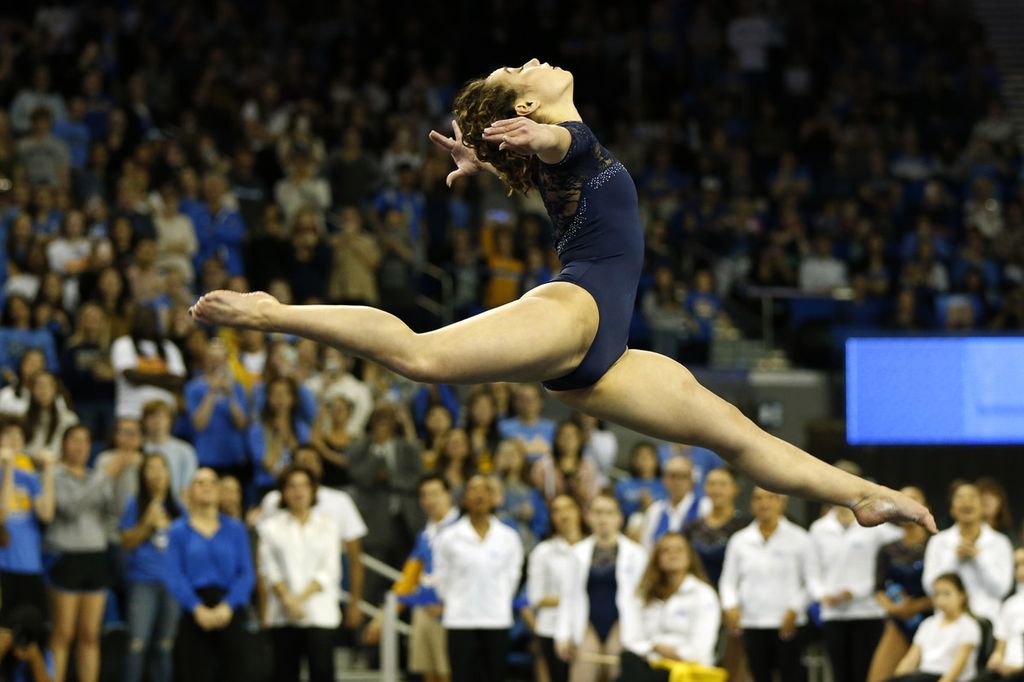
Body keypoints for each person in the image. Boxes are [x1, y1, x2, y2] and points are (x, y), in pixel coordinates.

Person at [188, 59, 934, 541]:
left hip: (603, 357)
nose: (537, 61)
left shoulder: (562, 145)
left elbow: (545, 153)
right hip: (576, 309)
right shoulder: (565, 141)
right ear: (528, 102)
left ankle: (864, 496)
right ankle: (271, 311)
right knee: (422, 358)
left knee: (735, 436)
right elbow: (554, 149)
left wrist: (487, 153)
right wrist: (519, 143)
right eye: (523, 69)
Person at [46, 425, 131, 682]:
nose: (80, 446)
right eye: (74, 440)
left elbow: (115, 512)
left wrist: (121, 477)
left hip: (96, 556)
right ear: (64, 444)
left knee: (90, 635)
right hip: (67, 556)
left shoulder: (95, 475)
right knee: (63, 634)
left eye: (85, 441)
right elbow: (70, 508)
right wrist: (106, 476)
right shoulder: (54, 475)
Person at [254, 446, 366, 631]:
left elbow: (353, 558)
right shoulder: (272, 503)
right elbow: (265, 565)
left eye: (313, 461)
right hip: (281, 609)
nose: (298, 492)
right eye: (302, 461)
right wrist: (274, 604)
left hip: (321, 608)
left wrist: (355, 602)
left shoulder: (339, 502)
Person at [363, 474, 459, 682]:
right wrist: (383, 616)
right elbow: (409, 577)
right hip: (424, 607)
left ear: (449, 496)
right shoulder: (425, 534)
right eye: (424, 495)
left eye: (435, 494)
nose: (429, 500)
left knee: (449, 672)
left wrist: (450, 605)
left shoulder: (463, 529)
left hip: (455, 614)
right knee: (428, 672)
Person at [720, 487, 820, 682]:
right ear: (751, 504)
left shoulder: (800, 538)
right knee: (758, 674)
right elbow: (728, 581)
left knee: (792, 675)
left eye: (770, 498)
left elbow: (811, 581)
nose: (764, 503)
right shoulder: (740, 540)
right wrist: (730, 605)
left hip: (787, 622)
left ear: (782, 502)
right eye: (758, 498)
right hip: (752, 621)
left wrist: (795, 609)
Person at [164, 468, 255, 682]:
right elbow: (174, 575)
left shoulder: (235, 529)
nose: (206, 487)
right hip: (194, 611)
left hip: (230, 609)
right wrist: (197, 609)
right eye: (200, 482)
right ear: (189, 491)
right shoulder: (178, 530)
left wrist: (227, 606)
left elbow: (246, 573)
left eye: (212, 482)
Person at [433, 475, 524, 682]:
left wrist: (498, 597)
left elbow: (513, 576)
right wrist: (454, 600)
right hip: (460, 619)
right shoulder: (449, 536)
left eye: (486, 490)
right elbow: (441, 575)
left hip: (496, 618)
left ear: (494, 498)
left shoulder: (509, 537)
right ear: (464, 499)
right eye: (473, 490)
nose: (480, 495)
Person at [256, 465, 340, 682]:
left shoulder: (328, 525)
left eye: (304, 485)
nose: (298, 491)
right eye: (292, 486)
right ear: (283, 492)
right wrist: (288, 600)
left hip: (319, 612)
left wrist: (299, 600)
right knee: (284, 673)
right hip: (283, 614)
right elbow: (269, 569)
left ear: (313, 490)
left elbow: (329, 569)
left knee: (322, 672)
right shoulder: (270, 527)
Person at [556, 492, 648, 682]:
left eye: (608, 512)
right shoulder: (576, 553)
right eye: (597, 512)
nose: (602, 518)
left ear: (619, 517)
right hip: (587, 624)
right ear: (588, 517)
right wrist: (562, 635)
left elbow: (645, 599)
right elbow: (568, 596)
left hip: (622, 625)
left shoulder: (637, 554)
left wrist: (644, 640)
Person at [811, 497, 904, 682]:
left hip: (868, 611)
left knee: (866, 673)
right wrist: (822, 595)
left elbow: (904, 537)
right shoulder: (819, 528)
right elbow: (812, 572)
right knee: (840, 673)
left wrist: (857, 592)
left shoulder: (874, 522)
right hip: (833, 613)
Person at [619, 533, 721, 680]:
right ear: (657, 558)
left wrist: (659, 648)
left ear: (689, 557)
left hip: (688, 671)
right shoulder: (645, 594)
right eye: (666, 550)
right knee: (628, 659)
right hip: (649, 665)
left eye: (679, 550)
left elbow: (700, 650)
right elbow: (631, 639)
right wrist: (654, 648)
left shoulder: (703, 594)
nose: (673, 555)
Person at [119, 453, 183, 682]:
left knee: (165, 645)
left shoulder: (178, 507)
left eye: (161, 468)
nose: (156, 474)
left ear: (169, 473)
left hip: (172, 584)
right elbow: (125, 543)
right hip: (142, 581)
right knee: (137, 643)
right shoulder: (134, 503)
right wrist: (146, 523)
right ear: (142, 474)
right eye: (151, 468)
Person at [923, 481, 1013, 623]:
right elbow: (930, 587)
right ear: (952, 509)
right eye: (960, 498)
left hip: (987, 621)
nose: (966, 502)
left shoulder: (1001, 542)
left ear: (982, 507)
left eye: (972, 497)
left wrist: (979, 558)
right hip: (947, 622)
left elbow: (1002, 589)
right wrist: (955, 558)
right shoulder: (938, 541)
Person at [869, 486, 934, 682]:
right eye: (902, 500)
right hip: (898, 621)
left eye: (914, 499)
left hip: (932, 620)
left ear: (926, 507)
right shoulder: (887, 549)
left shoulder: (937, 544)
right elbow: (878, 590)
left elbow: (948, 586)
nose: (907, 504)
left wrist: (917, 606)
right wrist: (895, 609)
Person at [526, 495, 584, 682]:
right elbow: (536, 597)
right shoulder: (543, 551)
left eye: (568, 508)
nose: (563, 515)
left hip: (585, 628)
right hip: (551, 628)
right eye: (556, 510)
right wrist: (577, 599)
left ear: (579, 512)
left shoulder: (592, 547)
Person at [0, 423, 55, 619]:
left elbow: (46, 514)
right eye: (8, 435)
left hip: (30, 563)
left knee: (30, 632)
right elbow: (2, 515)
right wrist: (8, 470)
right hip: (3, 564)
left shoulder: (29, 478)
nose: (14, 440)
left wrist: (48, 470)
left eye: (18, 436)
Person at [888, 573, 980, 682]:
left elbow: (958, 667)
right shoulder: (928, 624)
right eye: (937, 594)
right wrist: (897, 678)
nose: (941, 600)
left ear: (962, 596)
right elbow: (911, 659)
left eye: (947, 594)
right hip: (924, 675)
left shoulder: (968, 626)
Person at [637, 455, 711, 552]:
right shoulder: (655, 510)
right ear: (664, 480)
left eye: (683, 476)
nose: (677, 481)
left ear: (691, 481)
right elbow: (647, 547)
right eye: (672, 476)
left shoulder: (705, 506)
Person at [973, 548, 1024, 681]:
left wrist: (1017, 669)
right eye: (1016, 565)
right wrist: (996, 658)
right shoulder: (1009, 604)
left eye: (1023, 563)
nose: (1020, 569)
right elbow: (1001, 644)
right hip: (1005, 667)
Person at [141, 401, 198, 501]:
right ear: (144, 421)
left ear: (170, 420)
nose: (157, 421)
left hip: (176, 506)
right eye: (152, 416)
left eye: (162, 416)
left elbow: (188, 487)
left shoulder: (185, 450)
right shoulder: (138, 449)